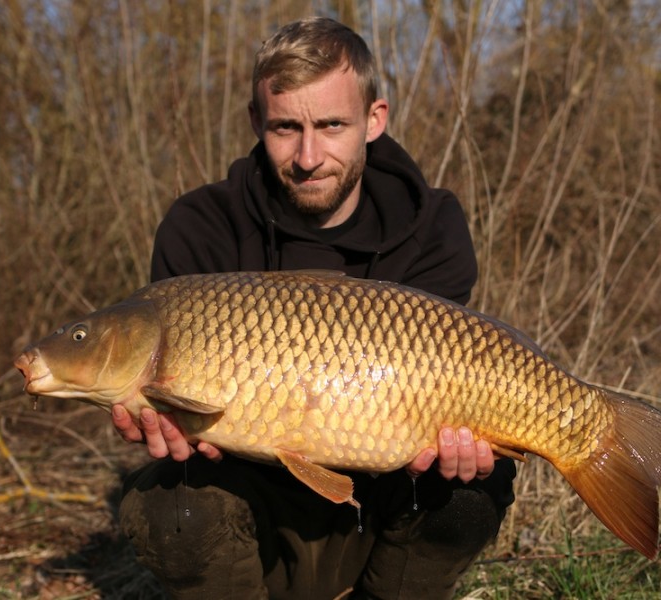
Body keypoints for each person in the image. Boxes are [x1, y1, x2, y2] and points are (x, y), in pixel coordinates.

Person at [113, 17, 516, 600]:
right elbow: (174, 415)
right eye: (285, 127)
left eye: (331, 125)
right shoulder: (200, 227)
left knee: (475, 488)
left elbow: (445, 380)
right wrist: (166, 423)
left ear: (374, 119)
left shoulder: (433, 227)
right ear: (256, 121)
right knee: (168, 506)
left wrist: (463, 439)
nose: (308, 156)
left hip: (382, 510)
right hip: (251, 521)